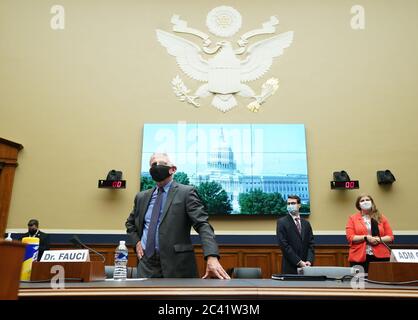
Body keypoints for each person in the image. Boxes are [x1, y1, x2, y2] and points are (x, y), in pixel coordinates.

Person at [125, 153, 230, 279]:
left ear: (173, 169)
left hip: (178, 265)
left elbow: (203, 225)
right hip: (146, 265)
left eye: (162, 164)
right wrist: (137, 242)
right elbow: (130, 224)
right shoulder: (141, 197)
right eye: (153, 164)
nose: (157, 166)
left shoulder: (186, 192)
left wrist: (212, 256)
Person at [346, 194, 394, 272]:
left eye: (367, 200)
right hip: (359, 256)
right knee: (359, 283)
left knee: (381, 281)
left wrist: (378, 239)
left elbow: (390, 237)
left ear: (372, 202)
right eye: (362, 200)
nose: (365, 202)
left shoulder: (381, 217)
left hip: (381, 255)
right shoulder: (352, 218)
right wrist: (366, 237)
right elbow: (350, 237)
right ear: (358, 205)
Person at [276, 195, 315, 274]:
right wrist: (299, 262)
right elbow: (284, 245)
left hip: (307, 267)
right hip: (290, 267)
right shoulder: (282, 222)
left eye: (293, 203)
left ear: (299, 205)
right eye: (288, 204)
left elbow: (311, 244)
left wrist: (309, 260)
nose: (290, 206)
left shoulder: (306, 223)